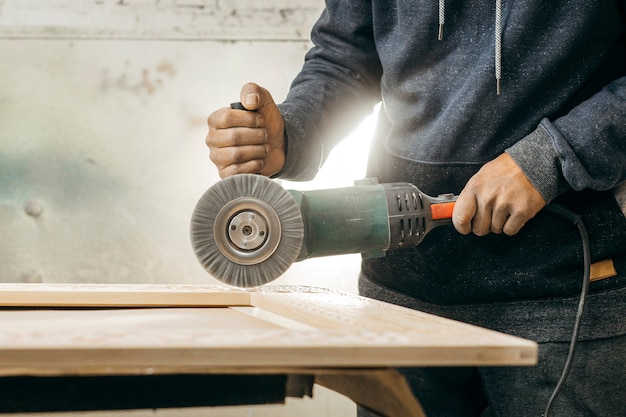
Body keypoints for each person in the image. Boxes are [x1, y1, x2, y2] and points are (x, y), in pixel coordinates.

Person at [206, 2, 626, 416]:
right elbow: (346, 54)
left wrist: (551, 157)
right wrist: (293, 133)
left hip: (567, 296)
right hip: (399, 295)